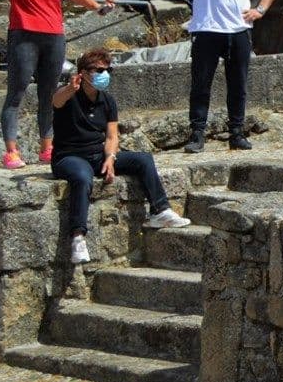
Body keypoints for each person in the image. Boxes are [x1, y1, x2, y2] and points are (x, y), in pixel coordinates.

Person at [47, 47, 190, 264]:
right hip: (69, 157)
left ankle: (160, 210)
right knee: (82, 177)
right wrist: (69, 88)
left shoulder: (107, 101)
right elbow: (56, 101)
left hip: (98, 155)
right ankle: (78, 236)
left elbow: (112, 136)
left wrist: (110, 158)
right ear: (83, 72)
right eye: (98, 70)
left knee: (143, 159)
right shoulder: (69, 95)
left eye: (108, 70)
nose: (104, 74)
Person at [0, 0, 103, 169]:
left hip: (53, 37)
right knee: (17, 91)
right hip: (24, 35)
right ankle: (11, 151)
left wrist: (98, 7)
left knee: (49, 93)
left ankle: (47, 147)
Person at [176, 0, 279, 154]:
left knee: (238, 85)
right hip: (207, 29)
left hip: (239, 30)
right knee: (201, 84)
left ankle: (236, 132)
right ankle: (197, 134)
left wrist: (260, 10)